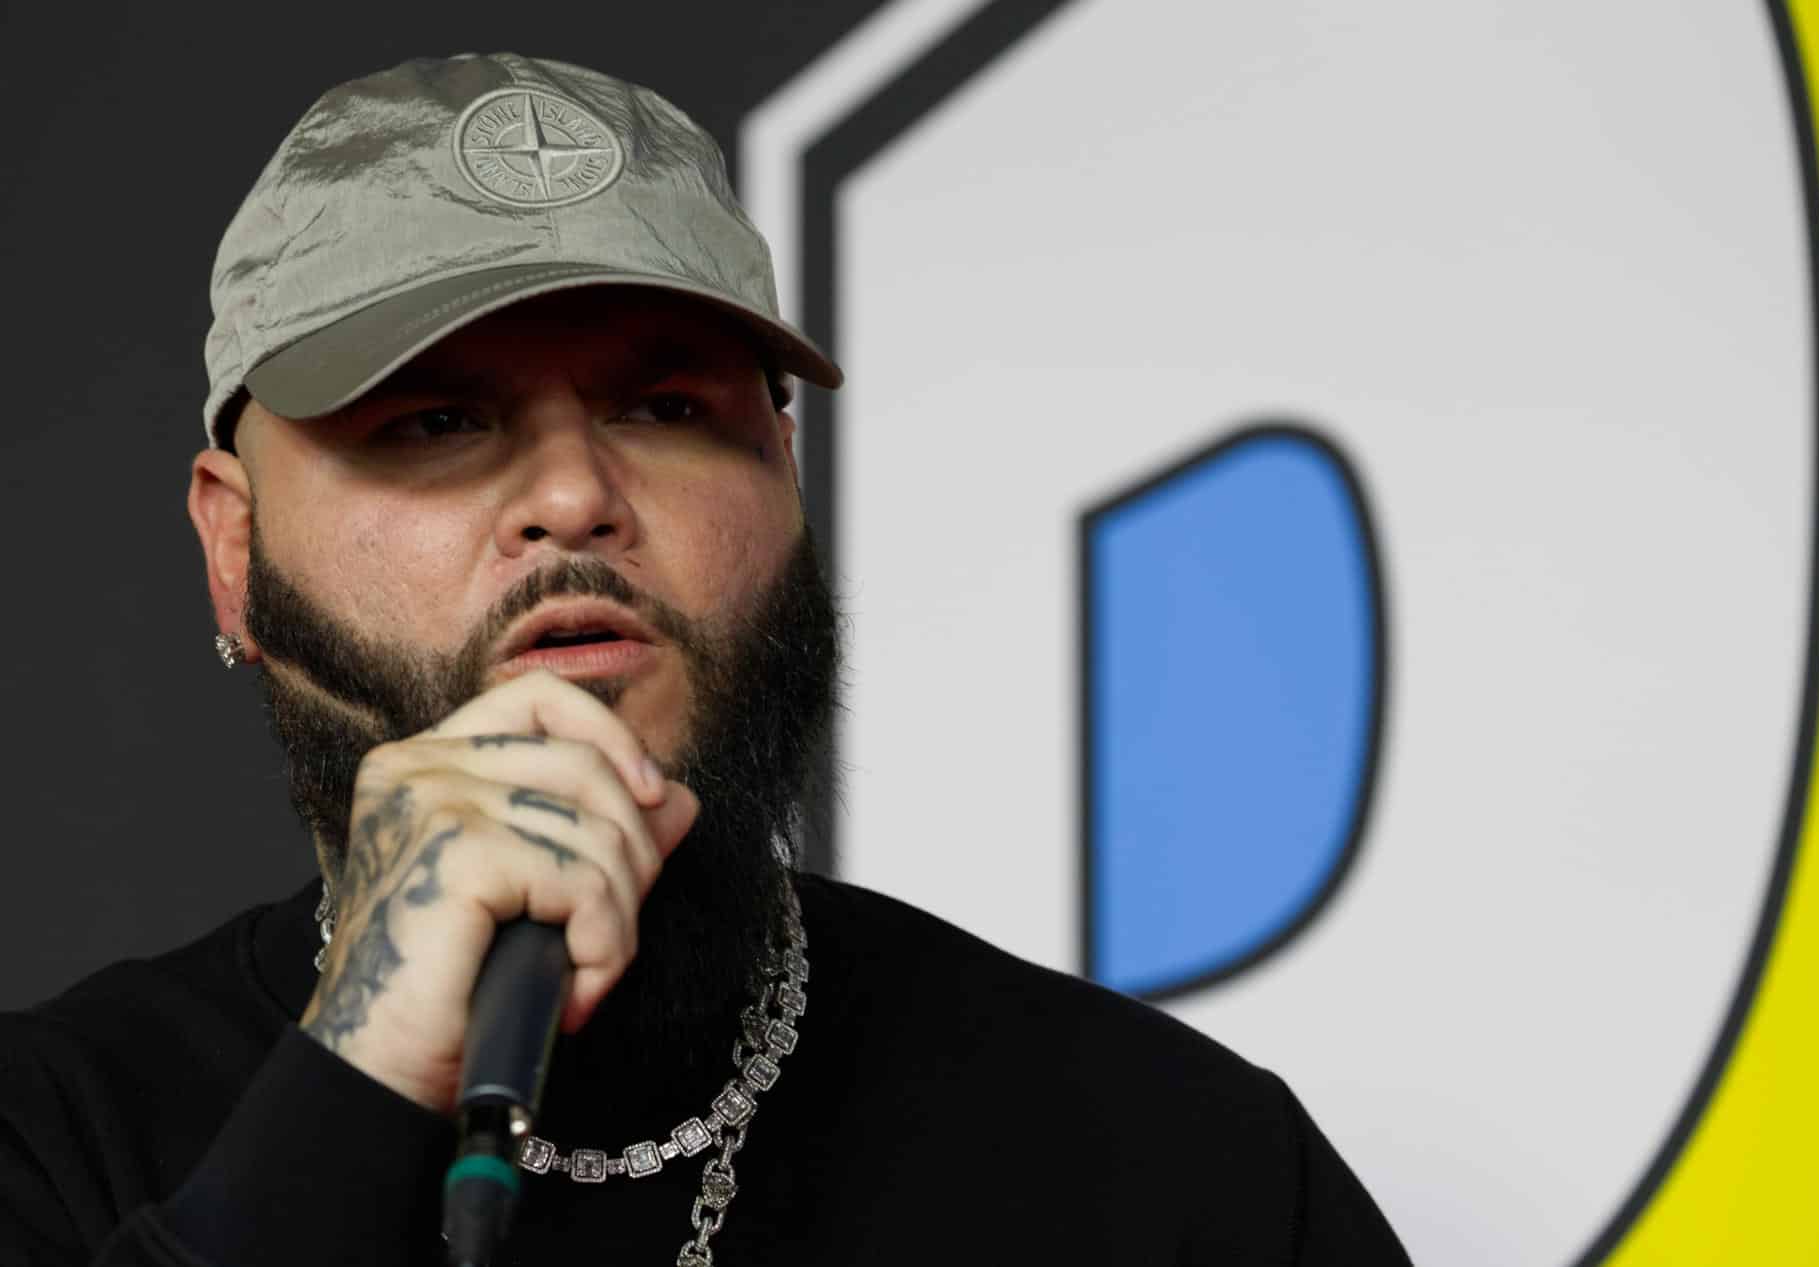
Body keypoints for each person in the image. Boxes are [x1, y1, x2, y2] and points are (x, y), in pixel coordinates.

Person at [0, 53, 1411, 1266]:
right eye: (431, 421)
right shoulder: (55, 1133)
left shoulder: (1168, 1159)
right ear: (235, 551)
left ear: (787, 473)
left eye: (667, 404)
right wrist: (362, 1069)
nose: (573, 494)